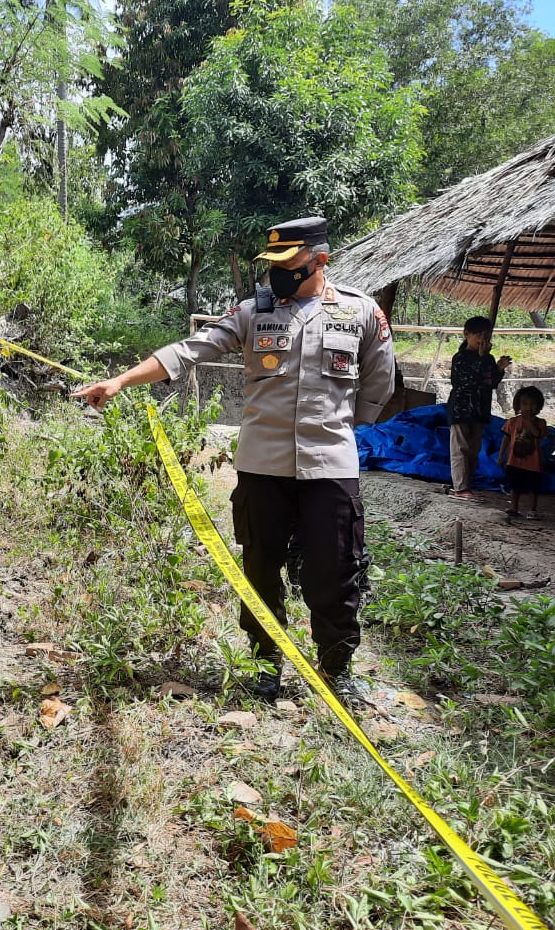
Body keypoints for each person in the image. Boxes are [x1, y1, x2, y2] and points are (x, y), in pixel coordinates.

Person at [71, 216, 396, 707]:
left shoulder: (361, 313)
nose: (279, 274)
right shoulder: (251, 313)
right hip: (262, 466)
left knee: (336, 571)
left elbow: (379, 383)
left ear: (319, 260)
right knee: (259, 569)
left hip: (330, 467)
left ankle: (337, 669)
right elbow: (188, 350)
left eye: (290, 264)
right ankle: (266, 665)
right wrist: (119, 381)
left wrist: (341, 430)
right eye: (274, 265)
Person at [446, 316, 511, 498]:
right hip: (461, 409)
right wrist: (482, 359)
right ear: (467, 334)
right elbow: (466, 382)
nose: (482, 339)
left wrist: (498, 368)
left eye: (486, 335)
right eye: (478, 335)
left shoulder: (488, 358)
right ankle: (460, 487)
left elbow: (490, 383)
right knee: (460, 448)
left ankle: (468, 484)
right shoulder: (459, 358)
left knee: (474, 450)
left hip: (480, 409)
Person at [498, 385, 547, 520]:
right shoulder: (512, 422)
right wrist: (501, 455)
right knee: (515, 486)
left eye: (532, 404)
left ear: (539, 406)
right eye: (524, 404)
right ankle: (514, 507)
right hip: (514, 460)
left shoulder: (541, 423)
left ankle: (532, 510)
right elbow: (506, 438)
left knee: (533, 487)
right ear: (518, 405)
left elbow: (537, 435)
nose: (528, 408)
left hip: (533, 463)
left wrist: (528, 422)